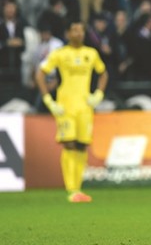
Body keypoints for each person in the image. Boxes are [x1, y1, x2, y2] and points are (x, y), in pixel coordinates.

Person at [35, 21, 108, 203]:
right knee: (69, 144)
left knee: (82, 145)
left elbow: (103, 73)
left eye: (81, 30)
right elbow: (40, 73)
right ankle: (71, 189)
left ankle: (78, 188)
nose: (79, 33)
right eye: (75, 30)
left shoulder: (90, 54)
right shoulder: (60, 54)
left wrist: (98, 93)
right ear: (68, 33)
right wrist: (48, 100)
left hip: (85, 107)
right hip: (66, 107)